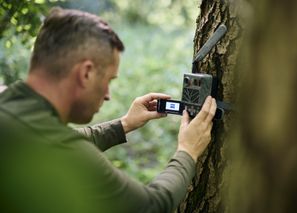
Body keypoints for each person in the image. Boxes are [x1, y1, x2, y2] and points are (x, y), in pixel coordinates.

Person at [0, 7, 216, 213]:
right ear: (86, 74)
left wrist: (124, 124)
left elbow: (54, 140)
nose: (107, 95)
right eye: (108, 81)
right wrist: (187, 151)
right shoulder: (71, 155)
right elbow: (150, 205)